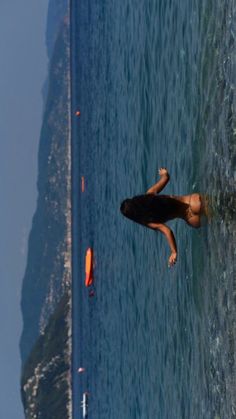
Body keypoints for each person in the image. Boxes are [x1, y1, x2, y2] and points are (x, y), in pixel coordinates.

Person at [120, 168, 206, 267]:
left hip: (191, 219)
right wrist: (164, 173)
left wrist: (174, 252)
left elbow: (167, 231)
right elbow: (166, 178)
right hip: (192, 201)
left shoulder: (147, 220)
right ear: (134, 200)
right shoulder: (150, 195)